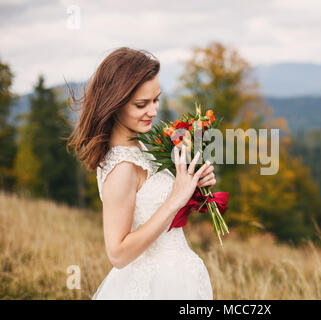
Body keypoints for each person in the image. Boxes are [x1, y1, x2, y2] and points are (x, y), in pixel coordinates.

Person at [65, 47, 216, 299]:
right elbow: (118, 254)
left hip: (178, 277)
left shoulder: (141, 146)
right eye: (141, 104)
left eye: (156, 100)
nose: (153, 111)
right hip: (154, 286)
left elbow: (154, 210)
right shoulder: (122, 167)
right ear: (115, 103)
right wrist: (174, 199)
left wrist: (193, 188)